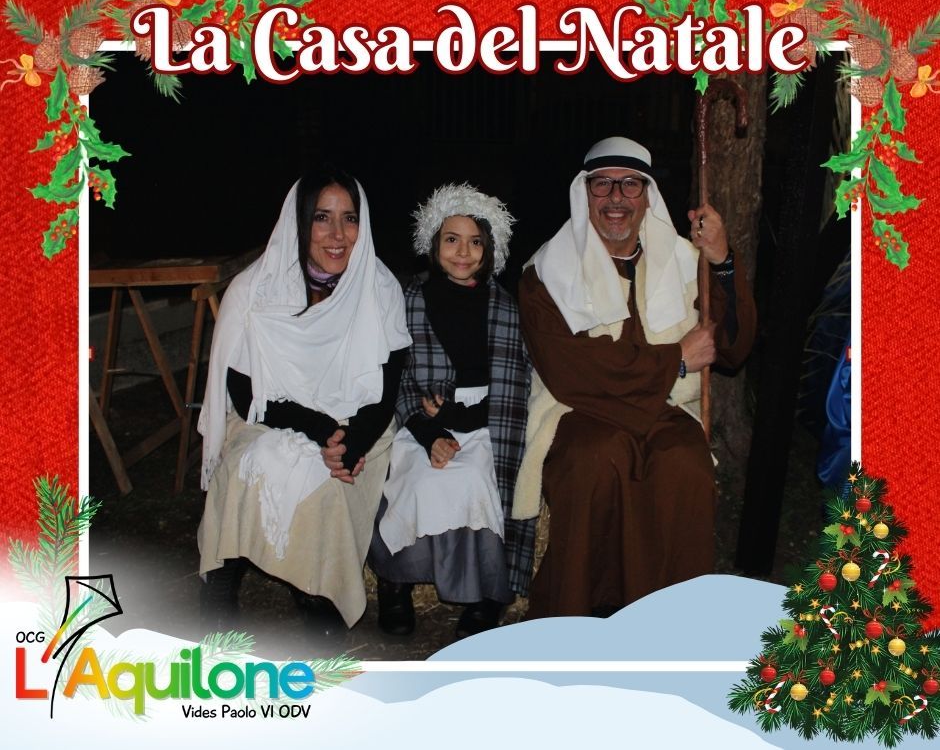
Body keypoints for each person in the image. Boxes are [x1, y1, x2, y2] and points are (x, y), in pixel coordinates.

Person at [513, 136, 757, 618]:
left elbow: (732, 347)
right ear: (585, 194)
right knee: (596, 458)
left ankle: (667, 620)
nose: (616, 198)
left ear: (647, 196)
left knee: (684, 463)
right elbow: (571, 369)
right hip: (581, 410)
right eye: (603, 185)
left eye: (630, 184)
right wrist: (676, 360)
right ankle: (578, 617)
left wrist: (722, 262)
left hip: (665, 409)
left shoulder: (685, 261)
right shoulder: (546, 273)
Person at [197, 166, 411, 634]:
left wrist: (350, 443)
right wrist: (320, 429)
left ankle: (316, 591)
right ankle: (220, 581)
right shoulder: (257, 289)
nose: (337, 235)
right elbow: (245, 394)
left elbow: (386, 389)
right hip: (269, 415)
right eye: (321, 217)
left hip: (359, 424)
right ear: (298, 222)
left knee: (325, 482)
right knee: (251, 462)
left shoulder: (379, 288)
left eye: (349, 219)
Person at [368, 183, 534, 638]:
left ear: (489, 248)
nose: (463, 252)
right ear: (433, 243)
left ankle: (486, 593)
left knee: (476, 482)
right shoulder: (409, 301)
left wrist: (466, 422)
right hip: (423, 424)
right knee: (417, 482)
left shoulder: (506, 307)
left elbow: (517, 379)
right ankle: (396, 582)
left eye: (475, 242)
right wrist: (427, 430)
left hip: (485, 424)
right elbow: (395, 377)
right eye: (452, 240)